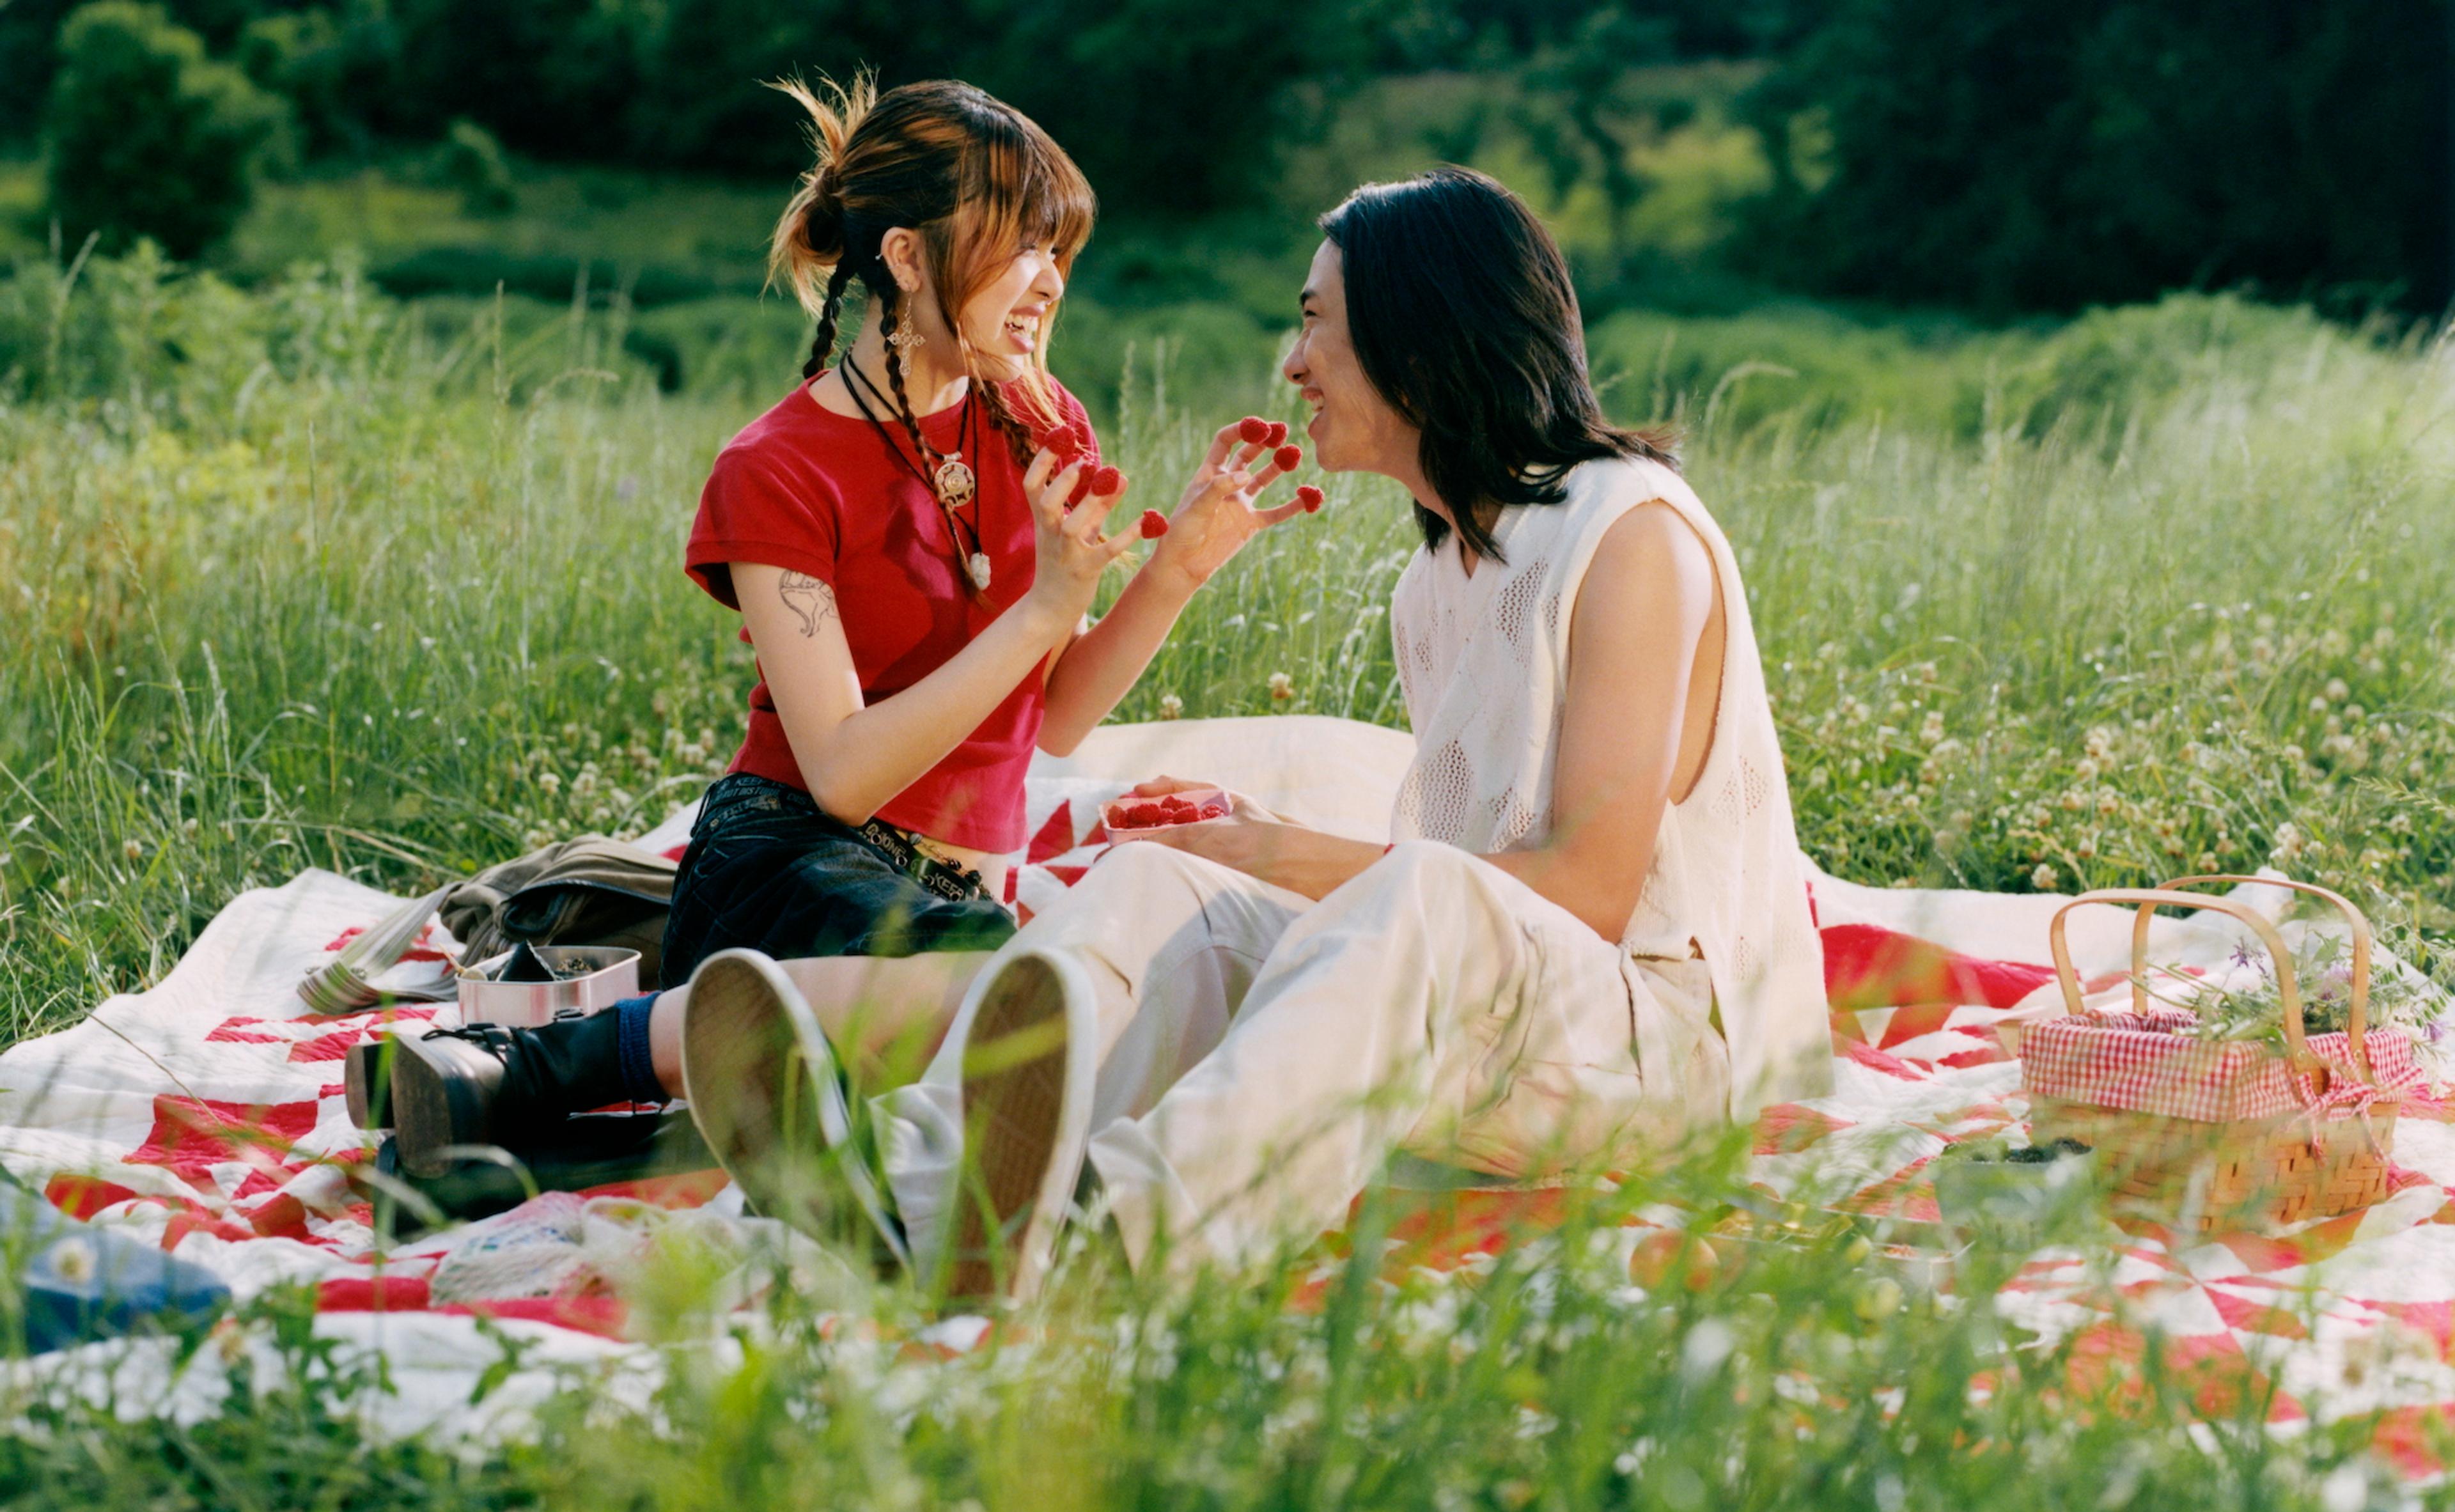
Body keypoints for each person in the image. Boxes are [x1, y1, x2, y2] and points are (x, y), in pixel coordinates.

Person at [698, 166, 1833, 1301]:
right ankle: (906, 1189)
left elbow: (1582, 893)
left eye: (1314, 323)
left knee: (1409, 900)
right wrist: (1246, 853)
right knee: (1157, 885)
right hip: (1509, 1027)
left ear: (1418, 333)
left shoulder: (1631, 536)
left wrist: (1287, 854)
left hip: (1666, 1058)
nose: (1292, 366)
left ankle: (1110, 1242)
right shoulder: (1437, 577)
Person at [368, 76, 1314, 1178]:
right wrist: (1047, 603)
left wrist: (1174, 575)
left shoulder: (1044, 424)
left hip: (954, 895)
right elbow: (844, 773)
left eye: (1061, 250)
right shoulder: (775, 469)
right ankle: (538, 1066)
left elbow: (1048, 720)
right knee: (1015, 992)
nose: (1050, 282)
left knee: (1049, 1021)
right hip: (795, 858)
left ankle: (537, 1145)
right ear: (907, 257)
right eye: (1021, 247)